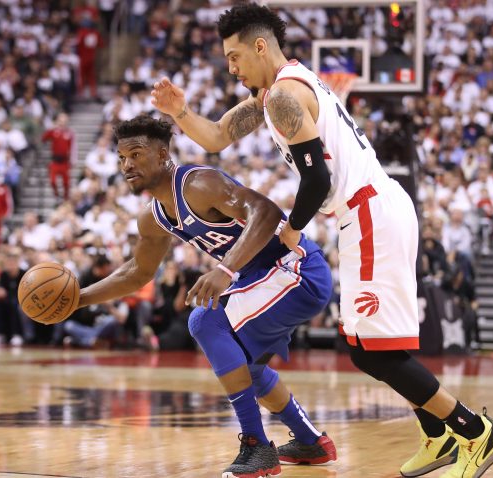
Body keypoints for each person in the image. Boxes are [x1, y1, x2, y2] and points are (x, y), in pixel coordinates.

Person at [150, 4, 493, 477]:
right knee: (372, 344)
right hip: (374, 209)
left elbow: (317, 180)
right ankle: (438, 433)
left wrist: (292, 228)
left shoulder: (283, 95)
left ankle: (476, 432)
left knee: (368, 349)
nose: (232, 68)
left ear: (261, 46)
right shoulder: (276, 93)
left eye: (235, 56)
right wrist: (179, 111)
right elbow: (218, 136)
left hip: (366, 213)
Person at [78, 116, 337, 477]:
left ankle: (257, 446)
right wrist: (77, 299)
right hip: (263, 279)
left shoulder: (198, 184)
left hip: (295, 268)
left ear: (162, 154)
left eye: (135, 154)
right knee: (247, 367)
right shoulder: (153, 218)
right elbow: (136, 272)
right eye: (122, 157)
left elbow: (267, 211)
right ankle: (311, 442)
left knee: (205, 319)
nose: (127, 165)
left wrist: (225, 269)